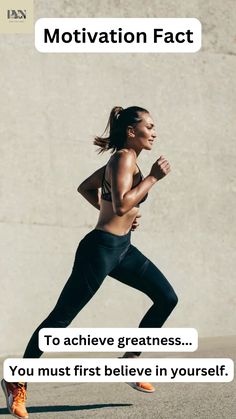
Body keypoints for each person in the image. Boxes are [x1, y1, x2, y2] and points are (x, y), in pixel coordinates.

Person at [1, 105, 178, 419]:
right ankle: (16, 381)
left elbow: (89, 189)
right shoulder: (124, 158)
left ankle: (130, 359)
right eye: (148, 126)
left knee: (166, 297)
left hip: (122, 248)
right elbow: (123, 203)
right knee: (60, 319)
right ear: (130, 131)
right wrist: (152, 178)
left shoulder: (125, 160)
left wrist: (111, 213)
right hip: (100, 250)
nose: (154, 132)